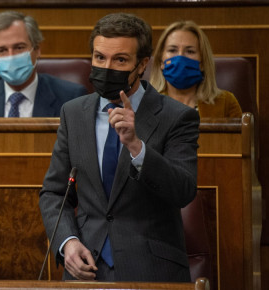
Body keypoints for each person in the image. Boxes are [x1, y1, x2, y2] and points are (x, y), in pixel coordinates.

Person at [38, 13, 199, 282]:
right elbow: (54, 193)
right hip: (86, 266)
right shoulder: (73, 113)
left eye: (120, 60)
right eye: (100, 58)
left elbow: (183, 190)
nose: (107, 67)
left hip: (151, 269)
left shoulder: (177, 116)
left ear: (142, 64)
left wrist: (137, 147)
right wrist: (68, 242)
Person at [0, 11, 87, 117]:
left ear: (37, 50)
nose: (11, 56)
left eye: (19, 47)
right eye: (1, 50)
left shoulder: (71, 98)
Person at [149, 20, 242, 118]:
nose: (180, 57)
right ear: (161, 61)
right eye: (172, 50)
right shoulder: (144, 104)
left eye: (190, 51)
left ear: (202, 62)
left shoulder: (226, 103)